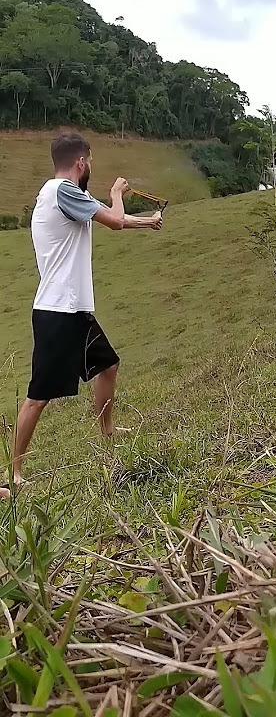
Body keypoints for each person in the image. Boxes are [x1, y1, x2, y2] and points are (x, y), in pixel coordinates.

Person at [1, 132, 163, 499]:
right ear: (81, 162)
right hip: (57, 310)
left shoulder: (61, 194)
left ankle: (106, 430)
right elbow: (115, 220)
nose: (90, 166)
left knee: (107, 366)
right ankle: (13, 474)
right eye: (89, 160)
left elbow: (111, 220)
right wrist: (118, 193)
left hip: (73, 308)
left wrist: (148, 221)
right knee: (38, 395)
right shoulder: (64, 191)